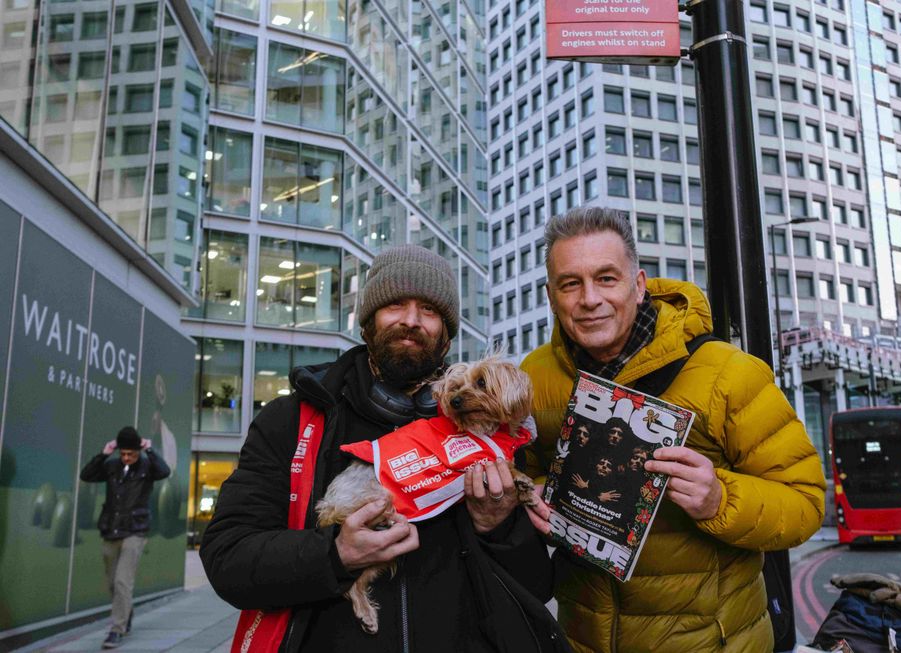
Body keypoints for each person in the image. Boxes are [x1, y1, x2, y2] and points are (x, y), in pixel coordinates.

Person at [201, 244, 555, 652]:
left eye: (429, 309)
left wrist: (500, 526)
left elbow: (536, 588)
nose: (410, 320)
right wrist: (334, 555)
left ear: (447, 332)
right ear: (367, 322)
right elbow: (228, 558)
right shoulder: (292, 421)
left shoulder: (490, 437)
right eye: (394, 305)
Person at [521, 207, 827, 653]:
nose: (589, 299)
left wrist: (720, 499)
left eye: (606, 278)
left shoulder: (728, 373)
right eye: (571, 283)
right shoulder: (533, 378)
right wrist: (542, 497)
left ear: (639, 285)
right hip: (583, 640)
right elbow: (521, 477)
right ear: (552, 296)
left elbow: (805, 502)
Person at [80, 426, 171, 649]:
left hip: (135, 531)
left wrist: (150, 451)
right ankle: (126, 613)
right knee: (112, 582)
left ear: (138, 451)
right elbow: (87, 475)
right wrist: (104, 453)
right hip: (111, 530)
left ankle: (116, 629)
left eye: (131, 454)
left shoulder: (148, 467)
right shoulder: (112, 466)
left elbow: (164, 471)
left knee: (122, 581)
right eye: (123, 454)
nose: (127, 458)